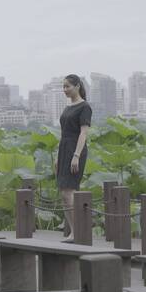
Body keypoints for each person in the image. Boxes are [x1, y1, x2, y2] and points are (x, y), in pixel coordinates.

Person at [56, 74, 92, 243]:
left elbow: (83, 132)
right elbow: (63, 134)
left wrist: (76, 155)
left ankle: (78, 232)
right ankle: (73, 230)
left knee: (69, 191)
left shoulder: (85, 107)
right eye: (63, 87)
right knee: (64, 193)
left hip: (76, 150)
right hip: (64, 149)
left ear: (77, 86)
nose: (65, 90)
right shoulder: (67, 108)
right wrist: (58, 156)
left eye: (67, 86)